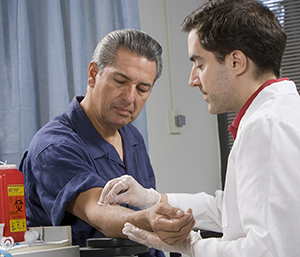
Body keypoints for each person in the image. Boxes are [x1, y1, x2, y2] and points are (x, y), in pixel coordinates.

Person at [99, 0, 300, 256]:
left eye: (200, 64)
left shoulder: (267, 126)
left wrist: (192, 247)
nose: (193, 79)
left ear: (236, 62)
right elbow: (230, 208)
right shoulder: (278, 113)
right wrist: (149, 198)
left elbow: (267, 250)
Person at [19, 28, 170, 257]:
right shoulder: (54, 146)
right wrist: (156, 220)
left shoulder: (132, 137)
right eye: (120, 81)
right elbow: (99, 213)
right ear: (92, 74)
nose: (130, 98)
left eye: (142, 89)